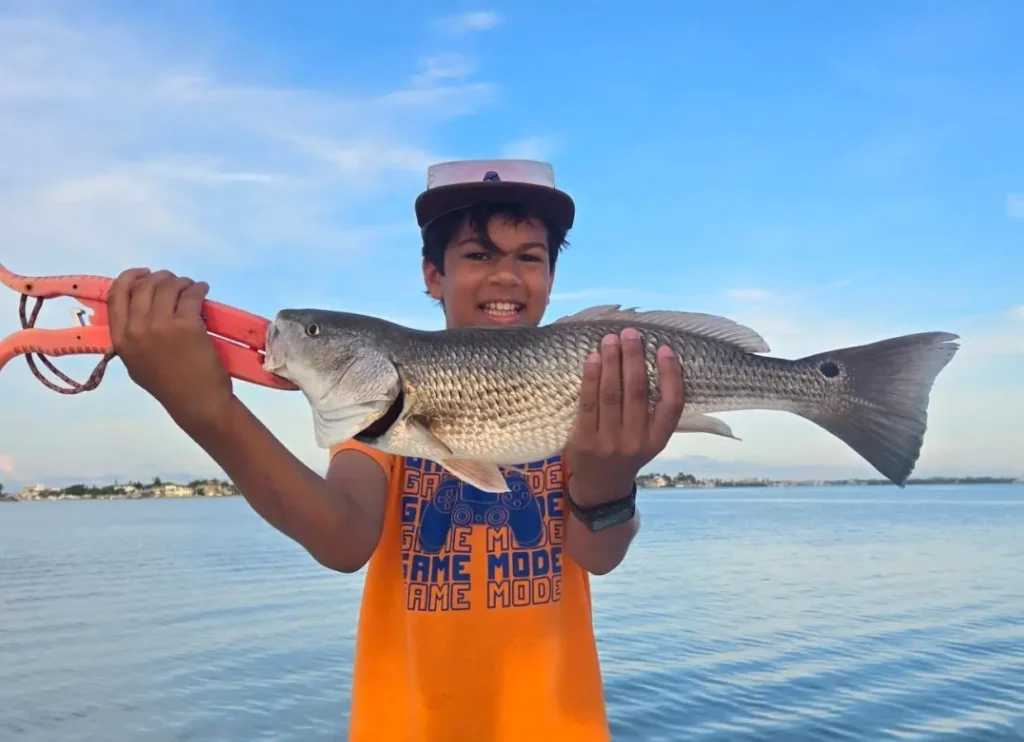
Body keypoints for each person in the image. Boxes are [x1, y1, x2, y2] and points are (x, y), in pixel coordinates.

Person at [108, 159, 684, 742]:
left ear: (552, 278)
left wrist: (610, 480)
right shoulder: (377, 424)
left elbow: (600, 555)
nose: (506, 276)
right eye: (479, 255)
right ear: (433, 274)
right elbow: (344, 538)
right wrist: (207, 412)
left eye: (529, 257)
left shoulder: (580, 393)